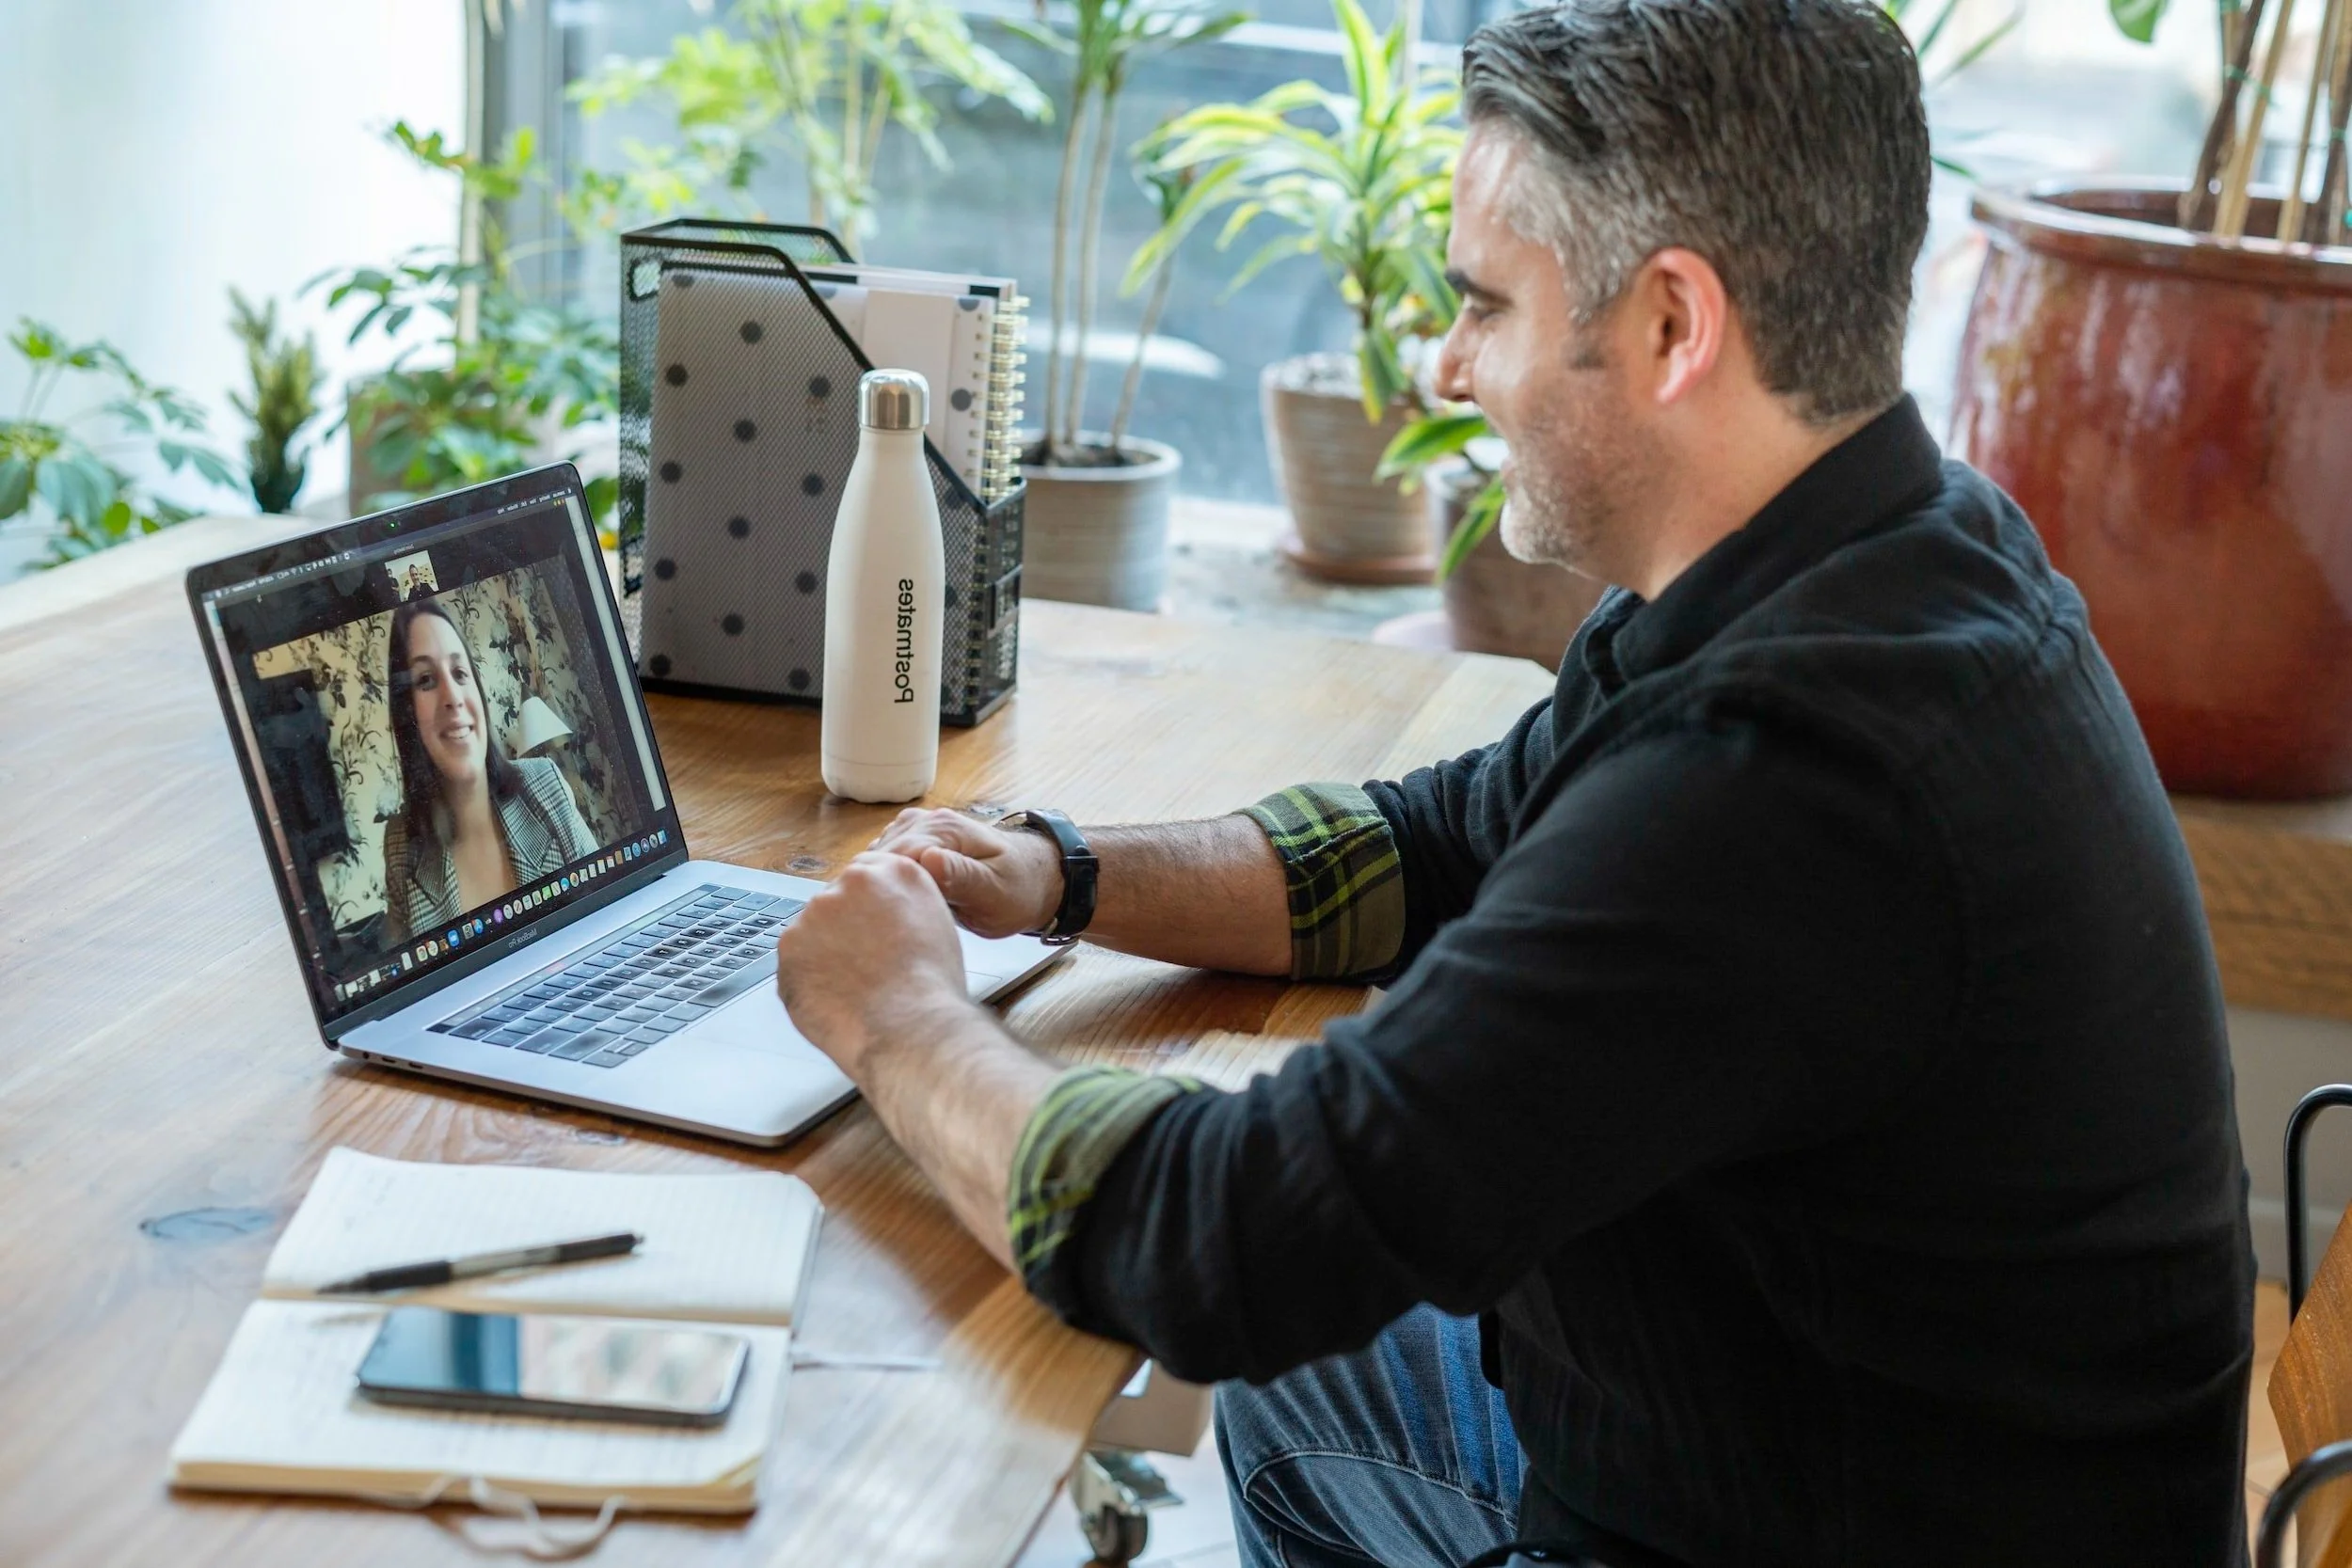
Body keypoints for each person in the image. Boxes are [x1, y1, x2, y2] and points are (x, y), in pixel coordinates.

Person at [770, 0, 2256, 1560]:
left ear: (1673, 325)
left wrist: (898, 1015)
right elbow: (1435, 844)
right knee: (1314, 1353)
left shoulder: (1791, 780)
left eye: (1485, 304)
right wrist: (1059, 870)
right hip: (1799, 1440)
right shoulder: (1879, 554)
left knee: (1231, 1303)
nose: (1446, 364)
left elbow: (1227, 1242)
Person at [380, 598, 594, 944]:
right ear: (407, 713)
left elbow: (610, 905)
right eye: (426, 680)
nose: (453, 697)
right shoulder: (401, 846)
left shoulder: (545, 784)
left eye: (460, 673)